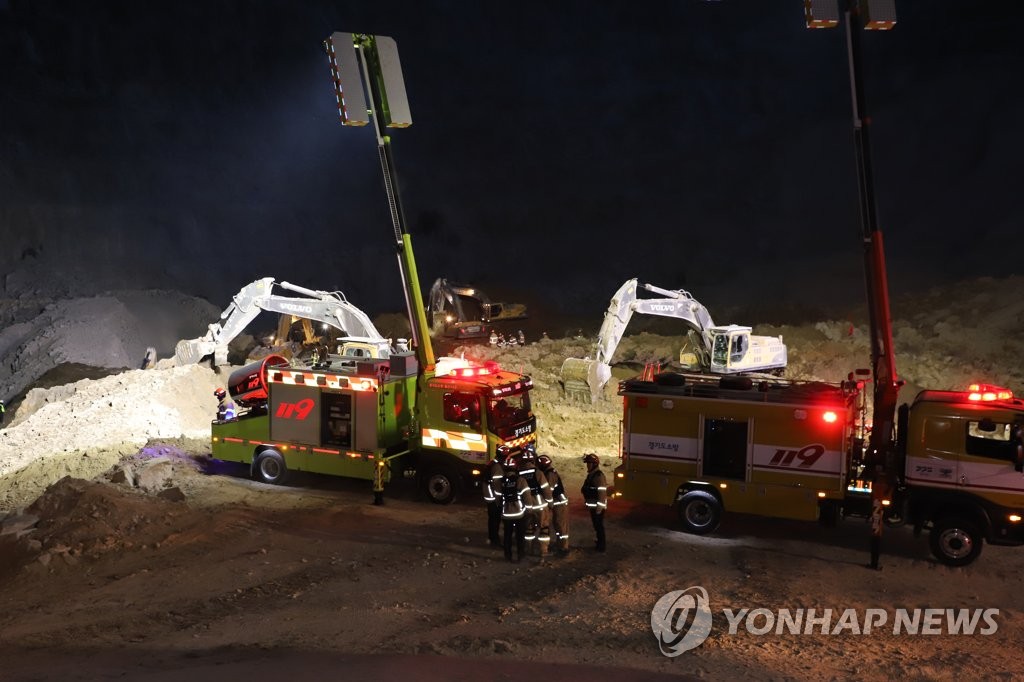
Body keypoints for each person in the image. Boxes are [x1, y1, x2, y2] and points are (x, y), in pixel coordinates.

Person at [500, 453, 535, 563]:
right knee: (520, 536)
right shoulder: (520, 480)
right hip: (519, 514)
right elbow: (527, 497)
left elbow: (498, 496)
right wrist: (529, 510)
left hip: (506, 514)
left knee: (507, 536)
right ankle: (520, 556)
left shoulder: (502, 481)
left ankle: (508, 556)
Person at [519, 447, 553, 557]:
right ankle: (543, 551)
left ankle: (528, 550)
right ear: (533, 460)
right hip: (540, 506)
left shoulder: (519, 474)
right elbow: (546, 489)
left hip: (527, 506)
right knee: (544, 528)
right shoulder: (538, 473)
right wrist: (550, 503)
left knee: (529, 530)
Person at [538, 454, 570, 554]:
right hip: (557, 502)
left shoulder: (550, 474)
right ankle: (560, 544)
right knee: (557, 524)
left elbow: (548, 491)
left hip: (559, 503)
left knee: (561, 525)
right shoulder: (548, 472)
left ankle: (564, 547)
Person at [581, 453, 608, 552]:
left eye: (589, 463)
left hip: (597, 508)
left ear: (594, 464)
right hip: (594, 507)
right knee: (596, 526)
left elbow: (602, 493)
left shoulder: (598, 476)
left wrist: (599, 509)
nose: (587, 465)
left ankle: (601, 546)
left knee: (599, 526)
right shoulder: (592, 475)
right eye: (587, 463)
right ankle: (599, 543)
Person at [483, 451, 506, 547]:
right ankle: (494, 540)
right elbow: (497, 487)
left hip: (489, 496)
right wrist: (500, 500)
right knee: (495, 519)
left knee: (493, 519)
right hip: (493, 498)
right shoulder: (497, 467)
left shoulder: (493, 463)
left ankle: (493, 537)